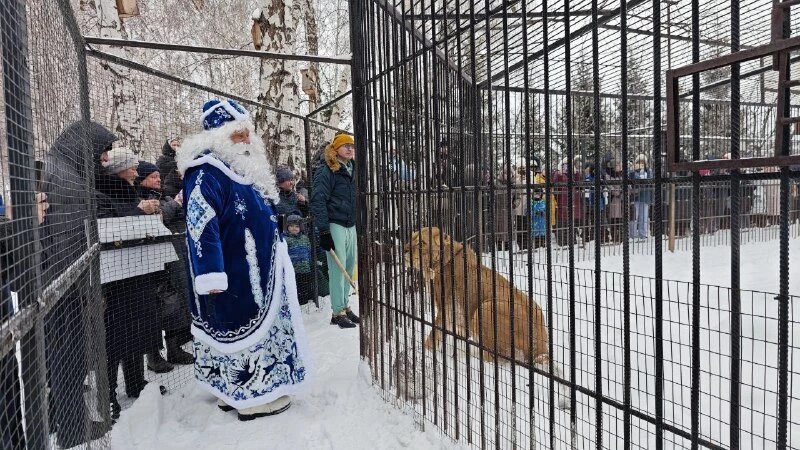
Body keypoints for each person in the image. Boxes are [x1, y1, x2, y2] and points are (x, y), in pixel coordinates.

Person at [177, 99, 310, 420]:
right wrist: (210, 273)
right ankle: (253, 397)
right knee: (239, 328)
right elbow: (199, 224)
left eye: (247, 132)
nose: (247, 139)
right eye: (239, 134)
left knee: (252, 330)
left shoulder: (240, 168)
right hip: (236, 273)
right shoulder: (205, 171)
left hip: (257, 271)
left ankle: (233, 393)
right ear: (218, 135)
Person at [39, 120, 116, 445]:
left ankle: (66, 420)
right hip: (64, 286)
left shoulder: (60, 170)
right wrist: (87, 289)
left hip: (55, 282)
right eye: (102, 153)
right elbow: (71, 245)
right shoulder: (66, 178)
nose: (105, 161)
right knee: (68, 359)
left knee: (64, 360)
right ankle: (73, 429)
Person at [96, 148, 163, 419]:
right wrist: (138, 210)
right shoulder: (101, 193)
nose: (137, 172)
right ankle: (108, 393)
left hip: (139, 270)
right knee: (114, 337)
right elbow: (106, 222)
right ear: (119, 170)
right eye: (132, 168)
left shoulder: (130, 190)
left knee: (139, 329)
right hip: (115, 277)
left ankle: (136, 383)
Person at [136, 161, 194, 369]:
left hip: (171, 259)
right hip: (148, 263)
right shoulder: (138, 199)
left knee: (174, 305)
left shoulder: (162, 196)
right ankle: (153, 355)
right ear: (141, 179)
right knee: (154, 309)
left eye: (159, 176)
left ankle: (174, 347)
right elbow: (158, 219)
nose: (158, 180)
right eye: (153, 177)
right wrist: (175, 204)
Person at [310, 132, 360, 329]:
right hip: (335, 224)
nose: (350, 148)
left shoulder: (352, 168)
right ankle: (337, 312)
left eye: (352, 146)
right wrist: (324, 231)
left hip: (350, 224)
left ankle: (346, 307)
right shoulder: (327, 170)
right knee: (337, 269)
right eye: (345, 145)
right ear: (336, 149)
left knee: (348, 266)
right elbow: (318, 201)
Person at [284, 214, 314, 305]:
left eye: (297, 226)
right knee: (294, 287)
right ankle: (294, 303)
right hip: (292, 270)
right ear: (287, 227)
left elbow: (309, 250)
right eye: (291, 226)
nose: (294, 228)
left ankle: (304, 302)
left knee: (304, 286)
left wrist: (310, 262)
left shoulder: (305, 238)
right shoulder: (285, 239)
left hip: (305, 268)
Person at [628, 154, 653, 240]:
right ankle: (632, 234)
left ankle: (643, 234)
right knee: (634, 216)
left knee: (644, 217)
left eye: (643, 162)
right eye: (639, 162)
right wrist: (634, 171)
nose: (641, 164)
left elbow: (650, 181)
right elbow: (631, 180)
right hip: (635, 196)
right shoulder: (632, 171)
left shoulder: (649, 171)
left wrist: (641, 179)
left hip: (645, 196)